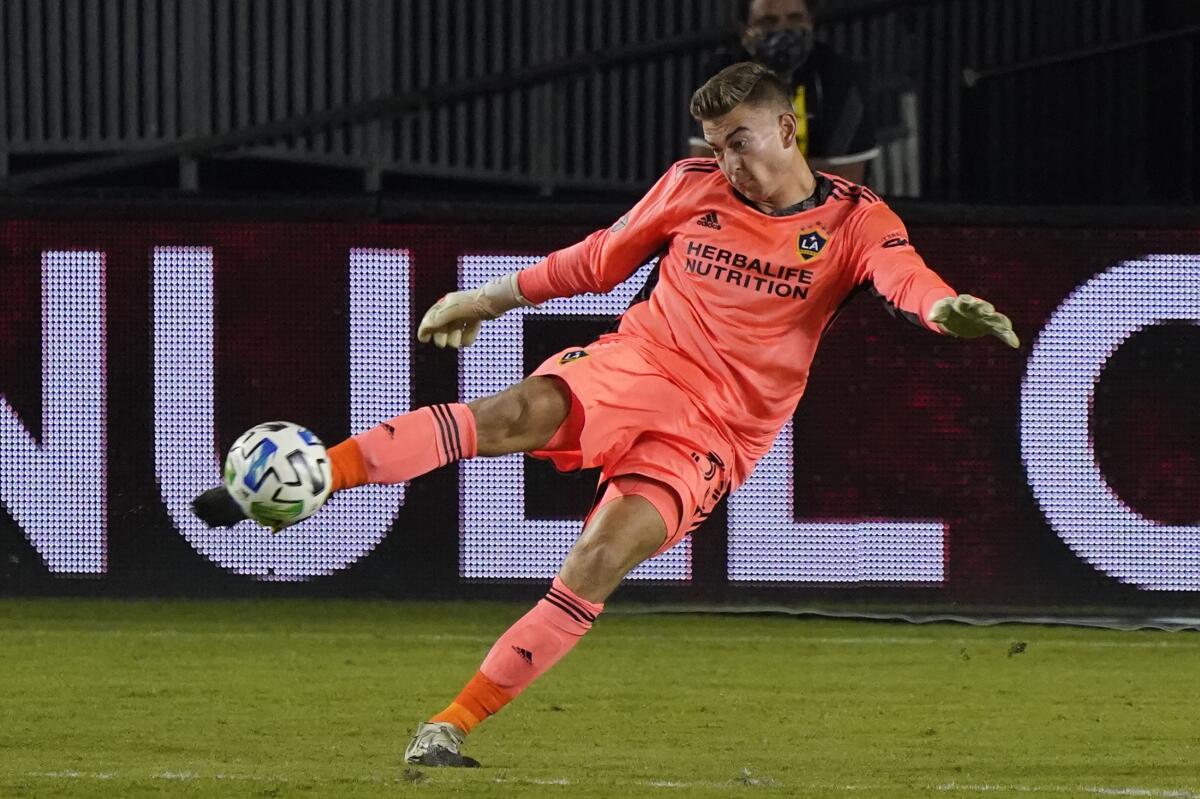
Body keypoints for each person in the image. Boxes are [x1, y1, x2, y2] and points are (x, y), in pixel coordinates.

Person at [193, 61, 1018, 767]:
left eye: (739, 138)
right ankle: (315, 478)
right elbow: (595, 261)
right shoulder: (689, 188)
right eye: (714, 143)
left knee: (598, 557)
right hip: (640, 363)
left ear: (786, 127)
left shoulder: (852, 217)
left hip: (721, 430)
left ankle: (451, 723)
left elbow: (902, 275)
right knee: (512, 410)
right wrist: (487, 298)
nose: (725, 159)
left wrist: (943, 310)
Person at [690, 0, 879, 184]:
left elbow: (844, 184)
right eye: (768, 21)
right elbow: (705, 176)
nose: (784, 31)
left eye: (795, 18)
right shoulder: (721, 76)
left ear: (810, 22)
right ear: (745, 31)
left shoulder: (841, 78)